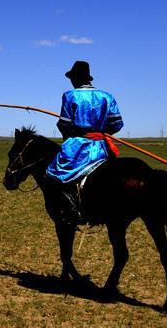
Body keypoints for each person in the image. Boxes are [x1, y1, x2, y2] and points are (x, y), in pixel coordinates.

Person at [46, 61, 123, 224]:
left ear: (76, 78)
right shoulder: (107, 96)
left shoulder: (70, 95)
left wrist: (71, 134)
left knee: (55, 172)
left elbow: (64, 124)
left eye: (72, 78)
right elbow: (117, 123)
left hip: (78, 146)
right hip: (102, 146)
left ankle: (71, 209)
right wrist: (101, 133)